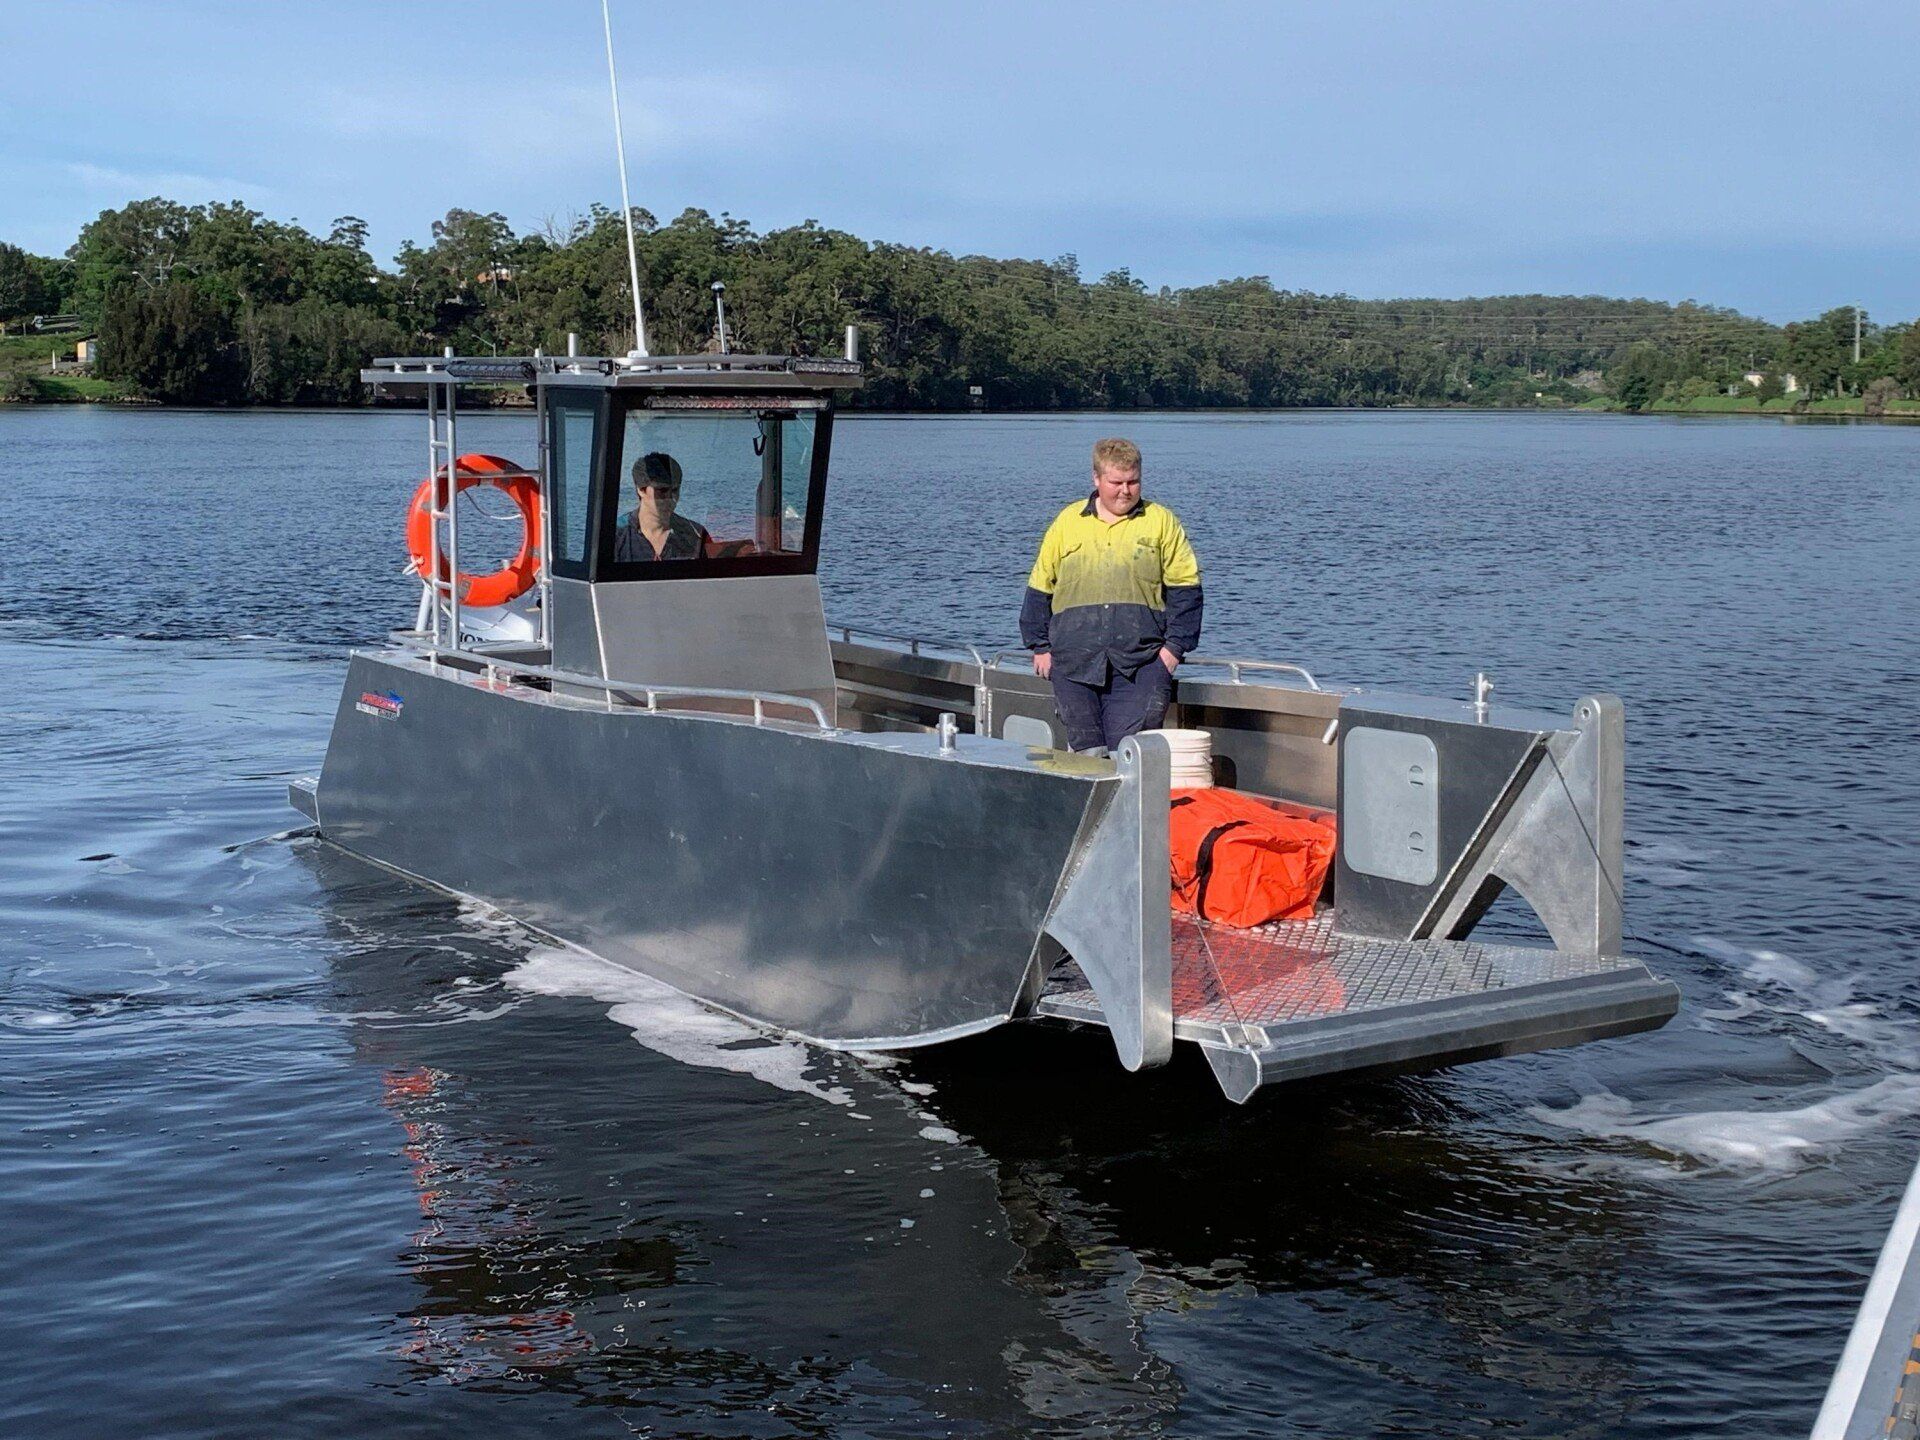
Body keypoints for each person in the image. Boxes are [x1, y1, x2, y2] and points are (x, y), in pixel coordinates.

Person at [1019, 438, 1202, 754]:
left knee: (1130, 756)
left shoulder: (1161, 522)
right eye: (1116, 482)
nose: (1125, 491)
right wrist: (1040, 646)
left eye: (1133, 482)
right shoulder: (1067, 522)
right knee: (1087, 758)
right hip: (1073, 664)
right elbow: (1040, 587)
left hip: (1141, 665)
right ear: (1096, 478)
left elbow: (1186, 590)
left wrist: (1172, 651)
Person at [615, 451, 712, 561]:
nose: (671, 498)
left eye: (675, 490)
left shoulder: (697, 535)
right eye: (662, 490)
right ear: (641, 489)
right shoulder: (616, 535)